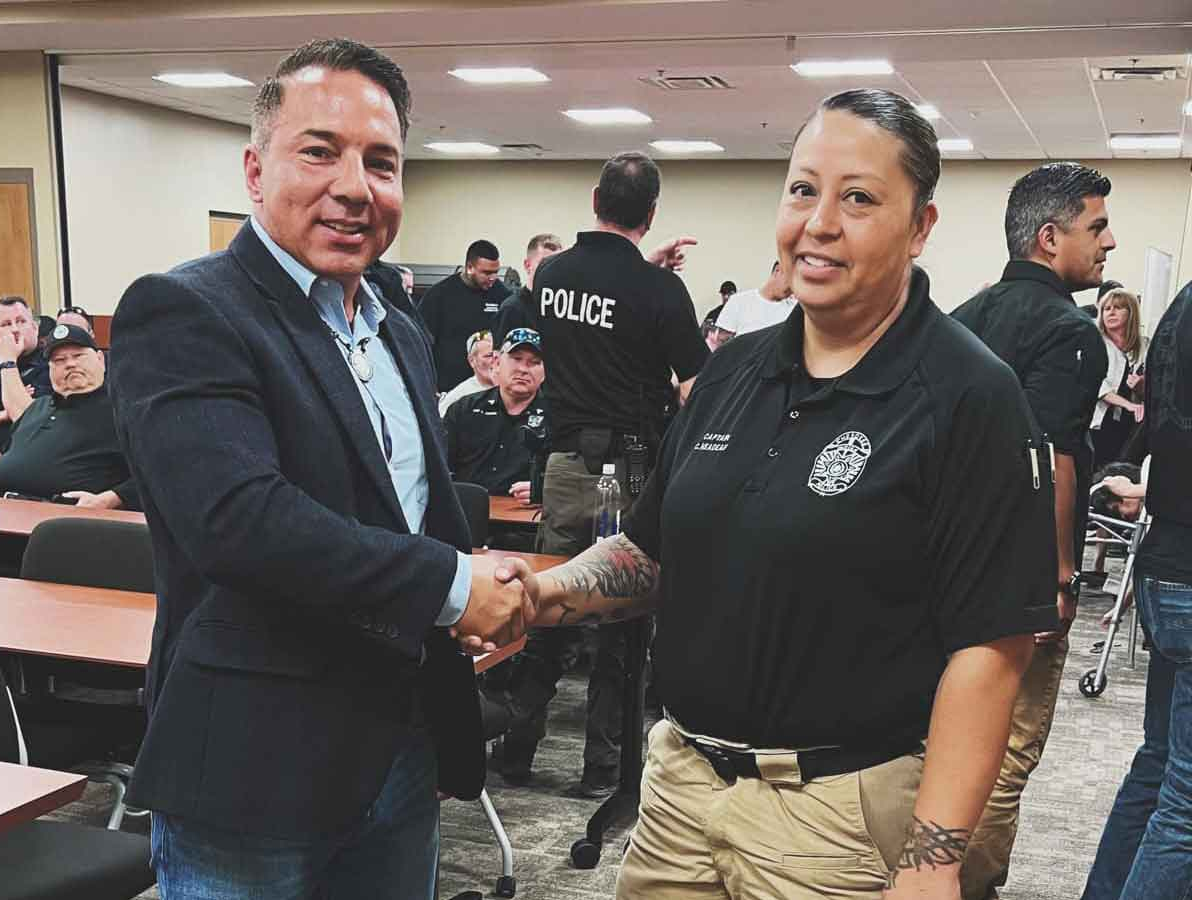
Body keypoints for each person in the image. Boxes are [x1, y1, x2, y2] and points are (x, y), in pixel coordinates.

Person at [477, 88, 1056, 899]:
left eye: (858, 197)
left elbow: (993, 649)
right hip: (681, 794)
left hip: (837, 819)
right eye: (802, 188)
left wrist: (933, 862)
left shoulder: (970, 397)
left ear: (921, 226)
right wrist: (540, 593)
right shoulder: (734, 372)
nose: (819, 221)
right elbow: (652, 552)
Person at [107, 38, 531, 899]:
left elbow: (416, 513)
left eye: (382, 162)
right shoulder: (185, 310)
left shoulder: (400, 330)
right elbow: (240, 523)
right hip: (255, 766)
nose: (354, 186)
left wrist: (474, 604)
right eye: (319, 151)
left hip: (400, 748)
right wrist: (453, 584)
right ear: (256, 172)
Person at [508, 150, 707, 797]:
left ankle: (514, 750)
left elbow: (598, 312)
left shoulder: (550, 275)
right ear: (650, 216)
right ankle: (603, 769)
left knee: (545, 610)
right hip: (631, 471)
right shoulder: (660, 290)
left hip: (563, 468)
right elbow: (695, 386)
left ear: (595, 200)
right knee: (619, 623)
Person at [951, 160, 1114, 900]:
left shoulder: (959, 319)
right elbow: (1049, 459)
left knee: (937, 745)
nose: (1108, 243)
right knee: (1001, 755)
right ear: (1050, 238)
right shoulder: (1069, 332)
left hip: (946, 572)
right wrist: (1059, 579)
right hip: (1016, 587)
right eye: (1097, 227)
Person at [1082, 279, 1192, 899]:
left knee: (1160, 769)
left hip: (1166, 566)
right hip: (1182, 569)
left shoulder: (1180, 307)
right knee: (1185, 804)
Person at [0, 323, 136, 509]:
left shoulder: (125, 411)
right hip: (2, 512)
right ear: (50, 369)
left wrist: (111, 498)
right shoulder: (37, 408)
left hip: (66, 523)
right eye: (59, 360)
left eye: (78, 356)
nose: (70, 364)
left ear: (100, 359)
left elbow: (162, 471)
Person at [444, 327, 546, 501]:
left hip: (526, 521)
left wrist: (544, 490)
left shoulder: (557, 418)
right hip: (467, 516)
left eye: (534, 362)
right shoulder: (463, 410)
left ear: (545, 372)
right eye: (516, 359)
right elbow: (439, 465)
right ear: (497, 362)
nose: (523, 369)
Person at [420, 238, 510, 392]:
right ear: (469, 267)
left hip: (487, 385)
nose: (493, 278)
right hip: (449, 385)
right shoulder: (439, 295)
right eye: (486, 272)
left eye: (496, 272)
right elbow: (422, 343)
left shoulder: (501, 294)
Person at [1091, 288, 1145, 468]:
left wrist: (1140, 388)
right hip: (1096, 426)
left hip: (1120, 426)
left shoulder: (1137, 351)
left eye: (1118, 307)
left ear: (1131, 314)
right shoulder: (1096, 342)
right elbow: (1097, 384)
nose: (1111, 312)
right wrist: (1128, 405)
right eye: (1107, 308)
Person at [0, 295, 51, 452]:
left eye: (21, 321)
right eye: (6, 324)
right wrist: (5, 414)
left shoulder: (52, 366)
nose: (15, 329)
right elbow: (13, 410)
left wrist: (8, 360)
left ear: (35, 328)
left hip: (27, 458)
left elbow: (30, 417)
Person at [492, 233, 563, 346]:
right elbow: (501, 357)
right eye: (544, 263)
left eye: (557, 264)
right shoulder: (512, 309)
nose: (552, 270)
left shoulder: (560, 308)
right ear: (527, 265)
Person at [713, 260, 796, 340]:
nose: (793, 288)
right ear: (778, 270)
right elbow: (720, 341)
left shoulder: (794, 309)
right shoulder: (739, 301)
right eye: (791, 280)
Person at [438, 329, 498, 416]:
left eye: (497, 355)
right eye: (488, 355)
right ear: (472, 361)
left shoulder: (515, 387)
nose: (494, 360)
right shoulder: (458, 397)